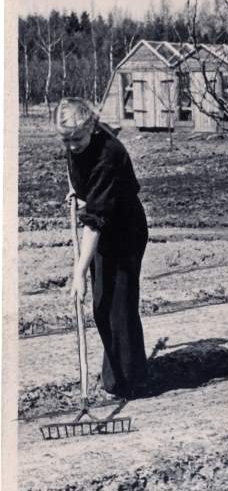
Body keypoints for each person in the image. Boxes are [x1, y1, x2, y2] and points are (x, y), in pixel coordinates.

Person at [57, 98, 149, 399]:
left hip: (124, 230)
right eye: (65, 139)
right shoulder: (80, 141)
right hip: (103, 224)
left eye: (76, 139)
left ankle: (129, 382)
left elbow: (95, 222)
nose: (71, 146)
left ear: (91, 128)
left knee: (117, 305)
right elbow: (77, 168)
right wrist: (76, 189)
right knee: (102, 304)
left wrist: (79, 271)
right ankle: (119, 374)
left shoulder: (108, 154)